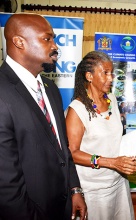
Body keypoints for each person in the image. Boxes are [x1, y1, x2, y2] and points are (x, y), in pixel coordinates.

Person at [0, 13, 87, 220]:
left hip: (62, 205)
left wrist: (74, 189)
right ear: (19, 42)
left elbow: (62, 148)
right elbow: (6, 183)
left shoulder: (50, 88)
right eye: (47, 39)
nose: (55, 46)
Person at [65, 51, 136, 220]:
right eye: (105, 73)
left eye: (111, 72)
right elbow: (72, 153)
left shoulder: (112, 100)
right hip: (94, 189)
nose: (111, 78)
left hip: (118, 181)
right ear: (89, 76)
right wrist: (111, 162)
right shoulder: (77, 110)